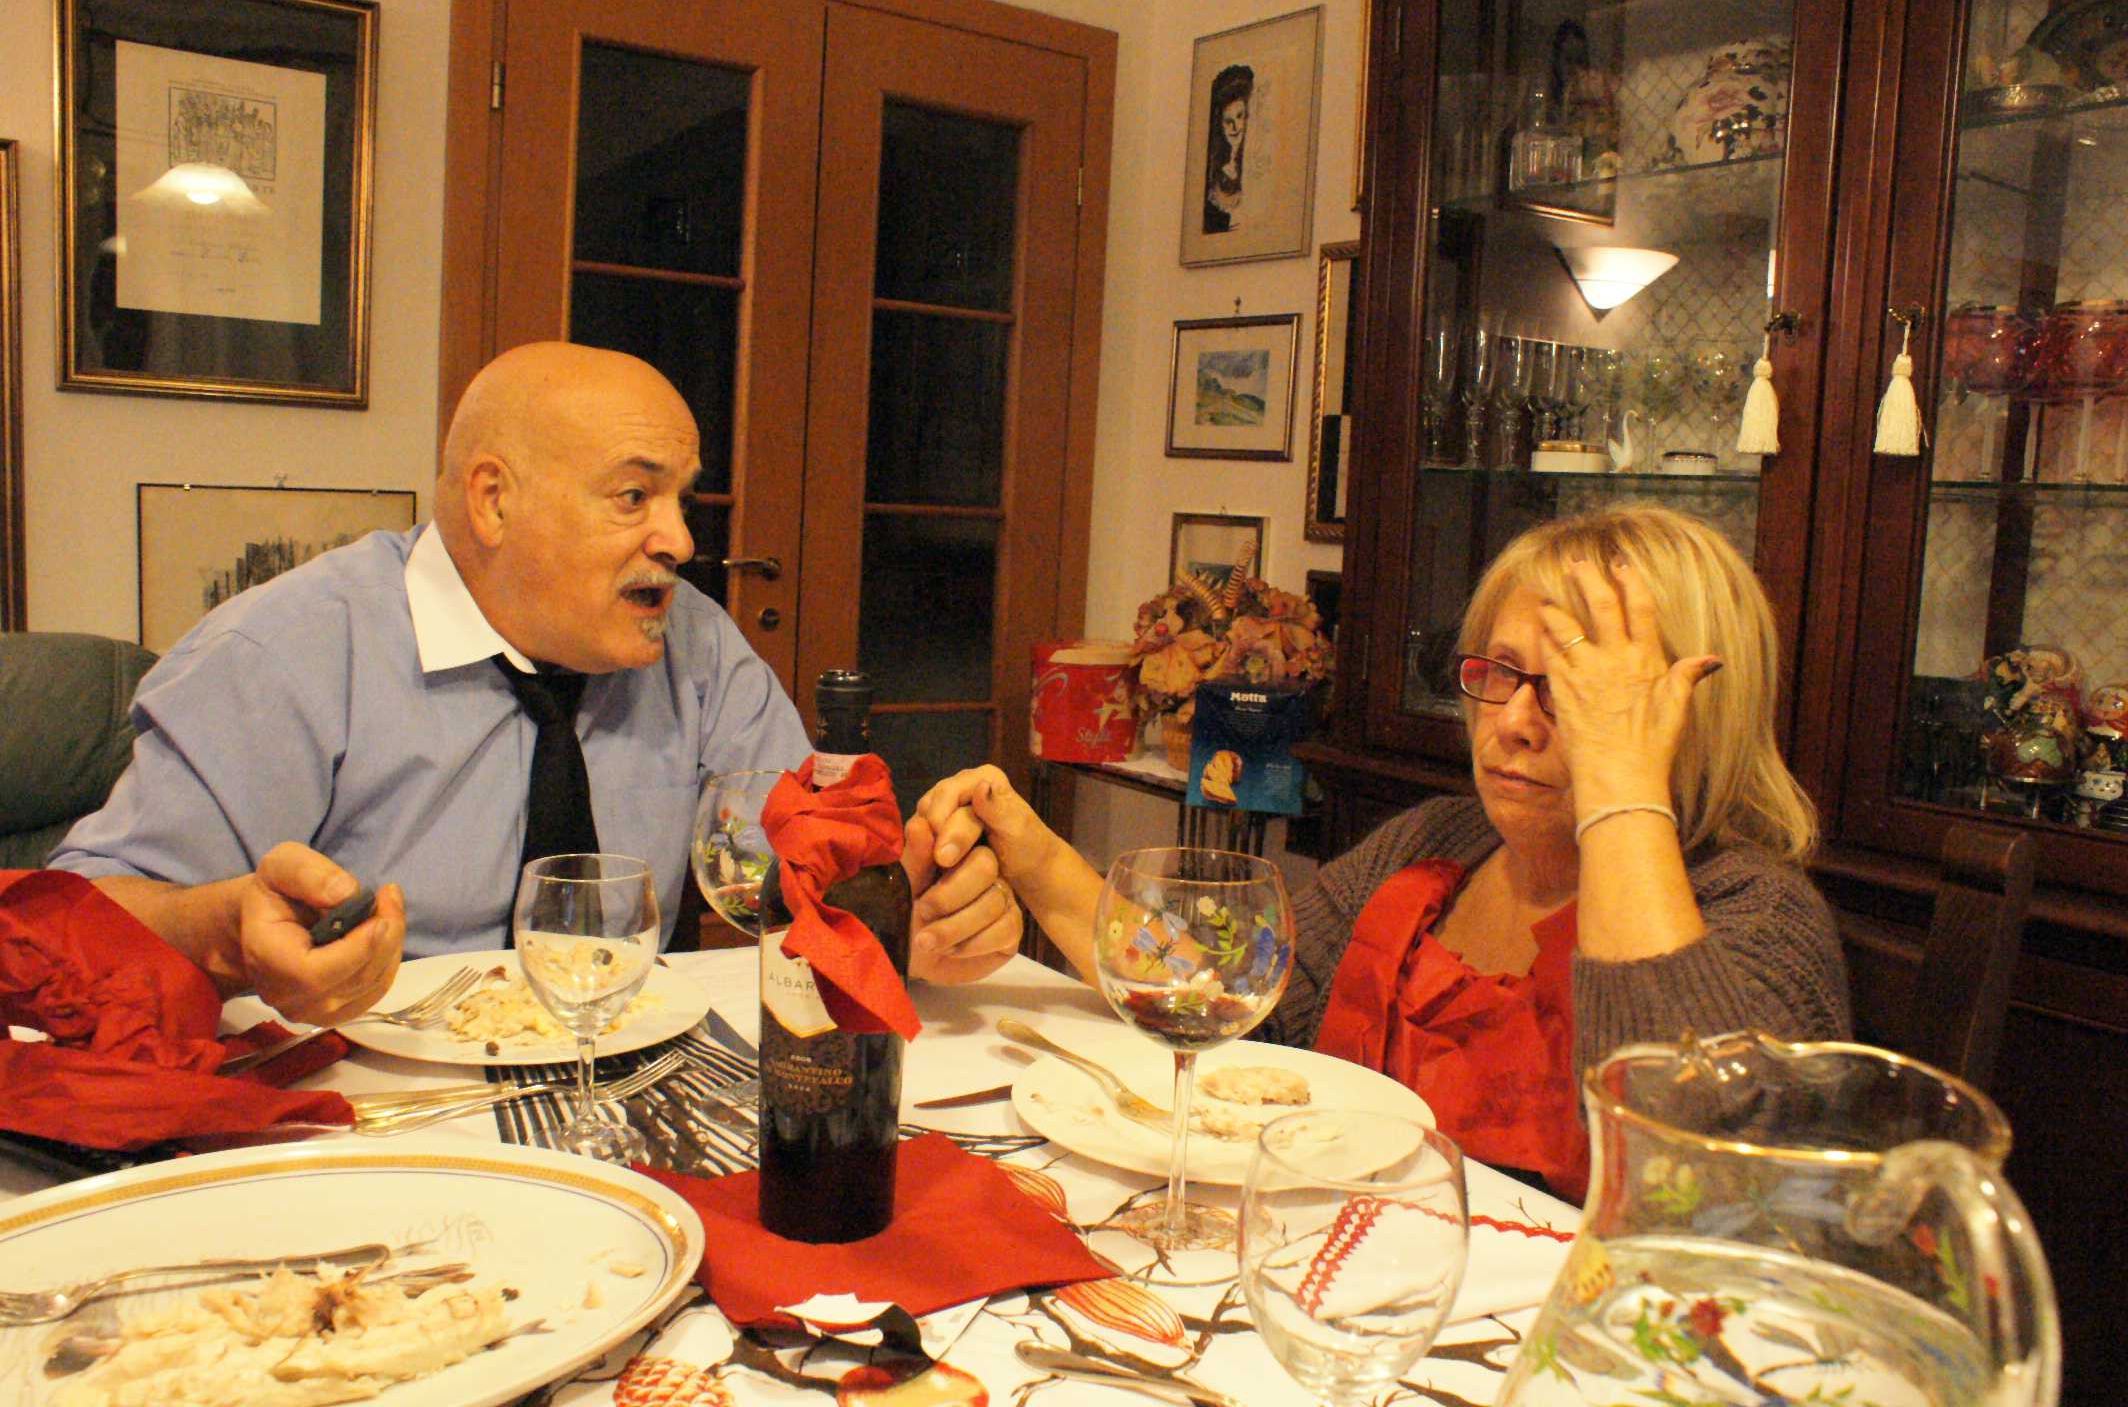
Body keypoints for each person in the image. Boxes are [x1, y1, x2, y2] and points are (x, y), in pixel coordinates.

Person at [49, 342, 1020, 1025]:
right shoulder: (285, 654)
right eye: (635, 495)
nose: (681, 540)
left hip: (623, 1091)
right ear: (493, 500)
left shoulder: (696, 647)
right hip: (361, 1121)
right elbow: (66, 930)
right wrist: (223, 934)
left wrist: (916, 911)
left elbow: (809, 877)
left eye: (681, 498)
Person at [913, 506, 1848, 1198]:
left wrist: (1622, 785)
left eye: (1576, 691)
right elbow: (1231, 1001)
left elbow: (1703, 1182)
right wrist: (1034, 857)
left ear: (1690, 712)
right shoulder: (1434, 847)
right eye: (1499, 674)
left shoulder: (1757, 913)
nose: (1514, 723)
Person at [1202, 63, 1252, 235]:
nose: (1235, 127)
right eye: (1228, 122)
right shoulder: (1214, 171)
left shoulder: (1251, 166)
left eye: (1240, 116)